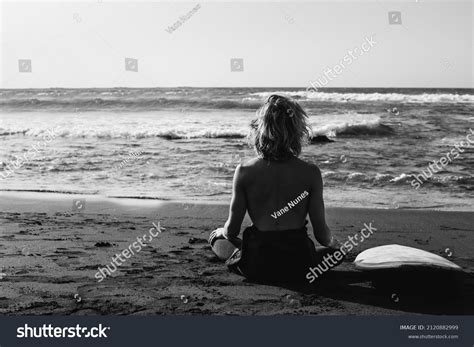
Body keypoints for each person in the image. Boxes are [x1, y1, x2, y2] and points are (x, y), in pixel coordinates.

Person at [209, 94, 342, 283]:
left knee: (217, 238)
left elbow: (231, 231)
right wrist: (334, 245)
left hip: (258, 264)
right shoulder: (311, 173)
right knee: (337, 252)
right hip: (300, 264)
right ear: (297, 131)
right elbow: (321, 235)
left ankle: (237, 251)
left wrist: (222, 232)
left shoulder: (244, 171)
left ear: (260, 130)